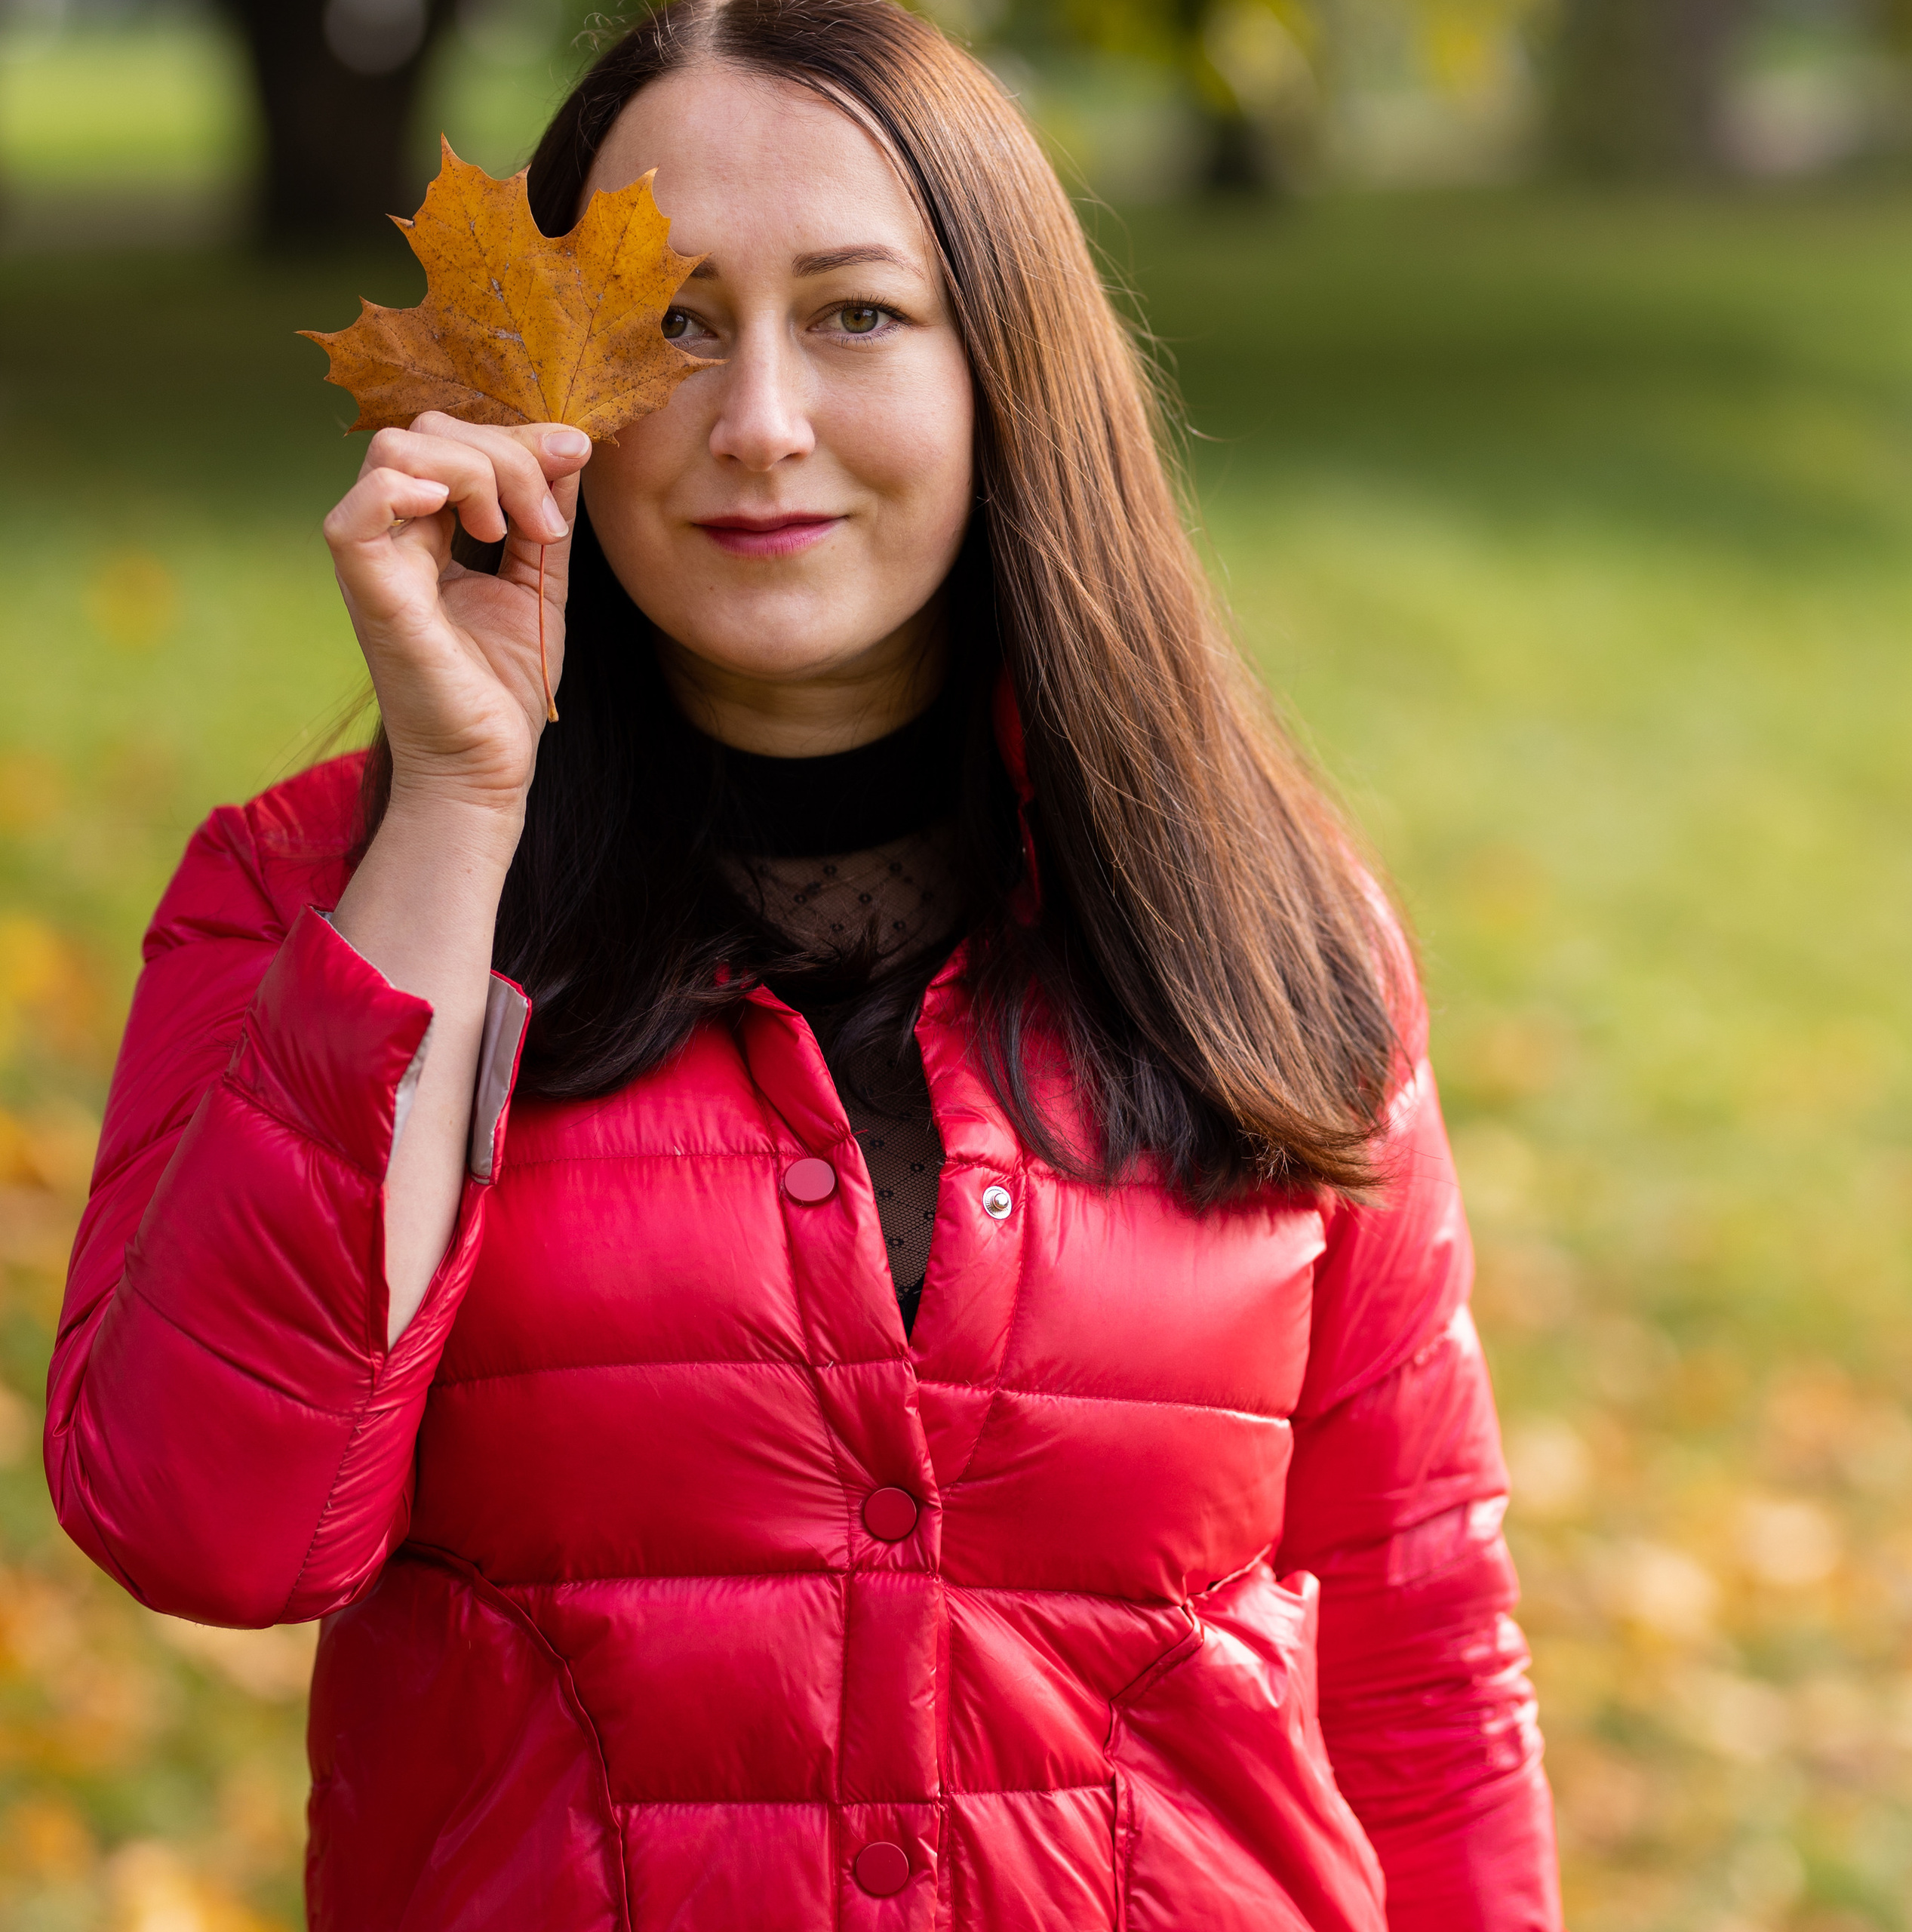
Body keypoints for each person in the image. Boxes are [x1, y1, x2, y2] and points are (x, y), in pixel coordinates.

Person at [44, 2, 1562, 1925]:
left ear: (999, 367)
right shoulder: (308, 901)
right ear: (546, 383)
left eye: (854, 314)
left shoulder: (1262, 916)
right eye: (673, 323)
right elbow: (215, 1527)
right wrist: (451, 803)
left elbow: (1419, 1644)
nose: (760, 420)